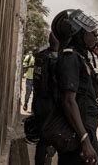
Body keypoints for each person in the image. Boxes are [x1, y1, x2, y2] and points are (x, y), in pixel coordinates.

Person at [51, 9, 98, 165]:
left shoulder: (83, 59)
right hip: (77, 138)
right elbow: (68, 101)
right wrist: (84, 141)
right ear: (78, 33)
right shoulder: (70, 58)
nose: (97, 37)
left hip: (86, 133)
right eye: (93, 33)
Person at [32, 32, 59, 165]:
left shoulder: (41, 56)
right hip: (50, 104)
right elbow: (55, 86)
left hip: (38, 102)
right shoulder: (55, 59)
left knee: (42, 140)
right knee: (53, 139)